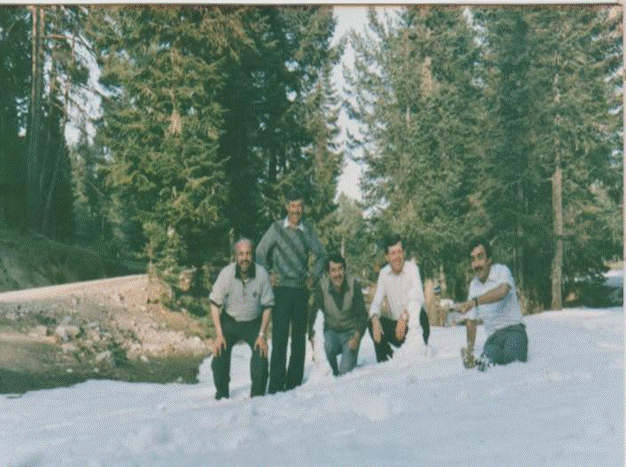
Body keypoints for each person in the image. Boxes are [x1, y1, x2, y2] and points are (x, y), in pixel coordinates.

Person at [256, 188, 326, 393]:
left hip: (301, 291)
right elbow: (260, 251)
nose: (296, 210)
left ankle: (294, 384)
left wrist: (314, 276)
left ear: (303, 208)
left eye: (299, 206)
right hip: (280, 291)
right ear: (287, 206)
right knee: (279, 339)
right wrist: (267, 274)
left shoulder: (308, 230)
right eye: (292, 206)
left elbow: (321, 255)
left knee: (298, 340)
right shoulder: (276, 228)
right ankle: (276, 386)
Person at [209, 238, 274, 399]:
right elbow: (214, 304)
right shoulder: (226, 274)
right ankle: (222, 394)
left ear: (253, 256)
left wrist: (262, 335)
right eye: (241, 254)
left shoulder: (262, 274)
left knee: (261, 355)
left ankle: (257, 397)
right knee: (219, 354)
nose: (244, 258)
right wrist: (219, 334)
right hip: (230, 322)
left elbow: (268, 306)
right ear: (236, 257)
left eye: (248, 254)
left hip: (254, 323)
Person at [455, 237, 529, 371]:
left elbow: (503, 291)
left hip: (513, 331)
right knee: (484, 367)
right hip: (493, 340)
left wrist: (475, 302)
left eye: (480, 257)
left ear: (489, 260)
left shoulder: (501, 271)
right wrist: (470, 349)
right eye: (473, 259)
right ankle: (477, 363)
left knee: (512, 365)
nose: (477, 264)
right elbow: (471, 321)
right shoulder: (474, 285)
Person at [368, 234, 430, 362]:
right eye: (392, 253)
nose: (396, 257)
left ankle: (419, 353)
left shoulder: (413, 269)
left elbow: (418, 297)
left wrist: (405, 317)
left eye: (399, 252)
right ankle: (386, 360)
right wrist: (374, 318)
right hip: (397, 330)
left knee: (421, 314)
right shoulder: (384, 274)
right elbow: (376, 303)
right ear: (387, 257)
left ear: (404, 253)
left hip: (414, 324)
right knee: (372, 322)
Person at [308, 252, 368, 376]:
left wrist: (357, 337)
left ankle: (345, 365)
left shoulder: (353, 285)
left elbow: (362, 315)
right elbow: (313, 316)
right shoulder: (322, 287)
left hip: (350, 334)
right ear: (328, 274)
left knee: (345, 375)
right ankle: (331, 372)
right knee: (328, 372)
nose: (337, 274)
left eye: (340, 269)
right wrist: (314, 341)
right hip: (331, 333)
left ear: (345, 270)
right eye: (333, 270)